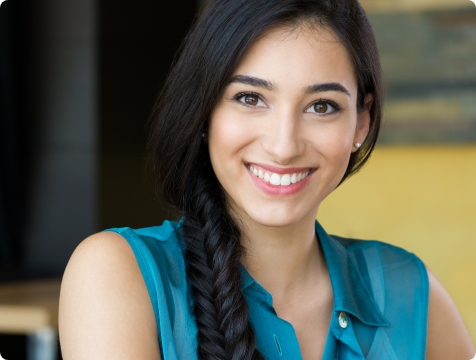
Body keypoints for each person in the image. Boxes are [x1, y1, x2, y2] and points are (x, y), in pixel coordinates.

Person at [58, 0, 475, 359]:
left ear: (360, 123)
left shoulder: (411, 292)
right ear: (204, 113)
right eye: (250, 98)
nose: (283, 146)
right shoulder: (117, 274)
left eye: (322, 106)